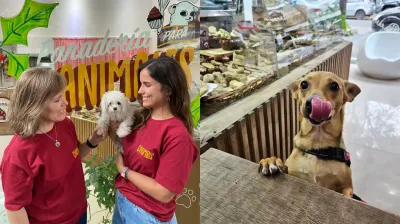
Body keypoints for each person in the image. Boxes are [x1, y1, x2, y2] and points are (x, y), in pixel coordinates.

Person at [0, 68, 107, 224]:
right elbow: (15, 208)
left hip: (79, 214)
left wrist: (92, 141)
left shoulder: (65, 124)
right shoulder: (18, 154)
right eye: (57, 100)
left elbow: (74, 155)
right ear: (34, 106)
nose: (65, 103)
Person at [109, 56, 199, 224]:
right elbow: (121, 145)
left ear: (168, 89)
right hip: (124, 202)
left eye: (147, 85)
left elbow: (164, 193)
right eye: (141, 84)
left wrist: (124, 170)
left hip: (146, 215)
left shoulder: (178, 137)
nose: (140, 91)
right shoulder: (140, 118)